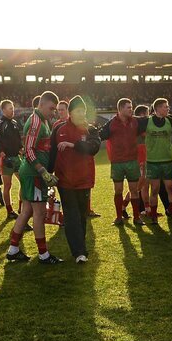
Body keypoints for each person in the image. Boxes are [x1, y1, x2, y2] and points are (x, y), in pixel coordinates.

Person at [6, 90, 62, 263]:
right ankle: (43, 254)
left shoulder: (42, 120)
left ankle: (13, 249)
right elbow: (29, 149)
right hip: (33, 175)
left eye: (55, 109)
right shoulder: (36, 121)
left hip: (31, 174)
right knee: (39, 213)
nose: (53, 112)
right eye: (51, 108)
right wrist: (42, 171)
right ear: (41, 104)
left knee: (27, 211)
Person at [52, 95, 102, 263]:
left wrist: (73, 145)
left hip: (84, 180)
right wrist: (48, 174)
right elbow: (52, 153)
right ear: (70, 113)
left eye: (83, 110)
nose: (81, 114)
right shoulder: (58, 129)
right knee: (71, 215)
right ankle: (79, 252)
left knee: (81, 215)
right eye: (78, 110)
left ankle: (80, 246)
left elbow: (94, 148)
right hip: (65, 181)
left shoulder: (91, 130)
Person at [136, 98, 172, 225]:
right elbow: (131, 123)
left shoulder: (169, 120)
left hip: (167, 161)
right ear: (158, 108)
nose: (168, 108)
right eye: (165, 106)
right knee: (154, 190)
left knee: (170, 188)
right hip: (152, 162)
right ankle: (153, 215)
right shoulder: (147, 121)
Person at [98, 98, 144, 226]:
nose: (131, 109)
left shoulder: (135, 121)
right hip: (117, 162)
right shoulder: (111, 124)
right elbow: (100, 135)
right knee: (118, 190)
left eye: (131, 107)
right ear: (120, 109)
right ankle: (119, 217)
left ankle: (136, 217)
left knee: (134, 190)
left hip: (132, 161)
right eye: (128, 107)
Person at [0, 99, 22, 219]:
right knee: (8, 185)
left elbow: (18, 139)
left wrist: (21, 148)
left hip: (17, 158)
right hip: (7, 160)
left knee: (24, 181)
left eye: (13, 108)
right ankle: (9, 210)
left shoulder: (15, 123)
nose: (13, 110)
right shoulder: (0, 124)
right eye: (10, 108)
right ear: (3, 110)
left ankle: (22, 207)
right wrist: (1, 153)